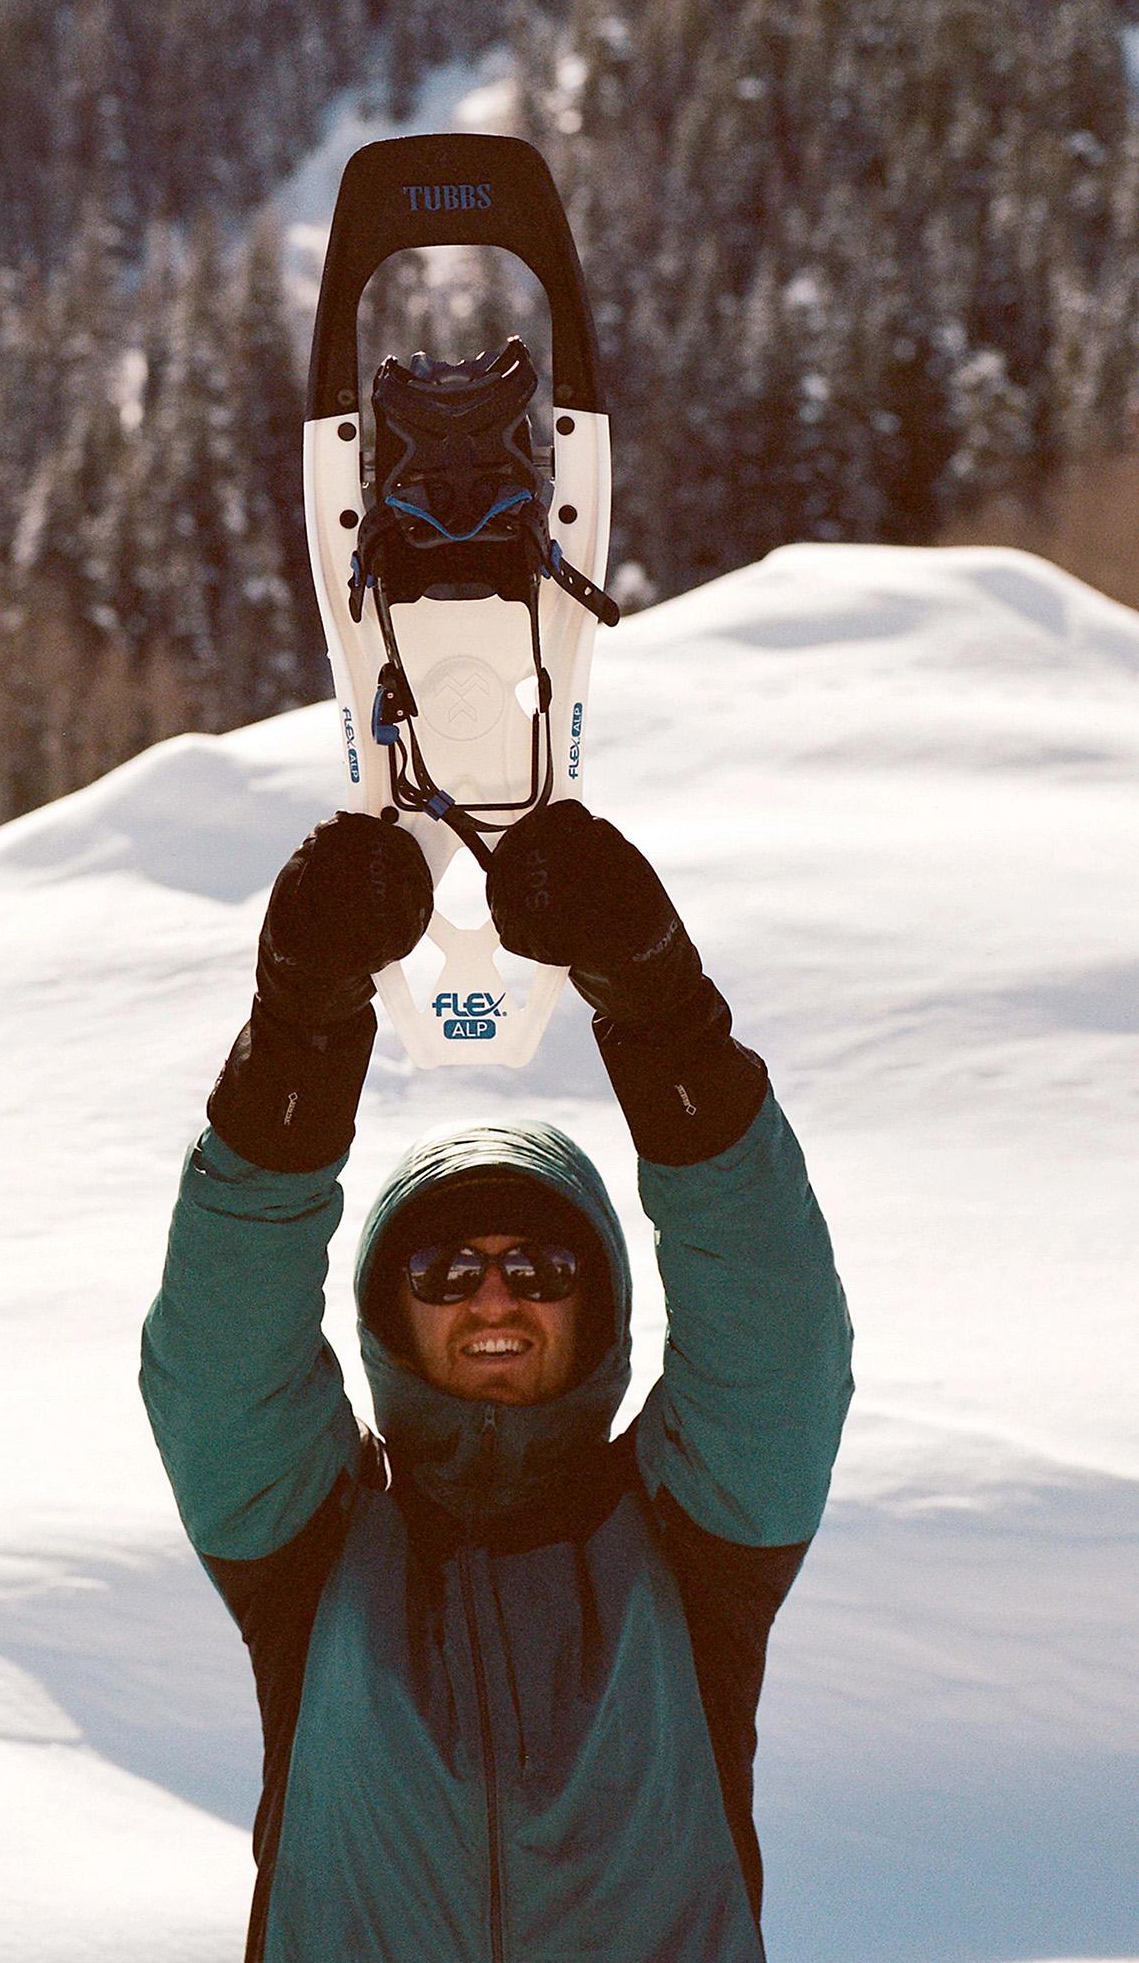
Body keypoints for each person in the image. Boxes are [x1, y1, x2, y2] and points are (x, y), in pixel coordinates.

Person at [141, 801, 854, 1963]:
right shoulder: (312, 1551)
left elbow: (776, 1342)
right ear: (385, 1311)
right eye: (440, 1267)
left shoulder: (689, 1541)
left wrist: (665, 1017)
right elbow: (219, 1361)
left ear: (600, 1304)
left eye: (539, 1263)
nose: (491, 1298)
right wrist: (296, 1041)